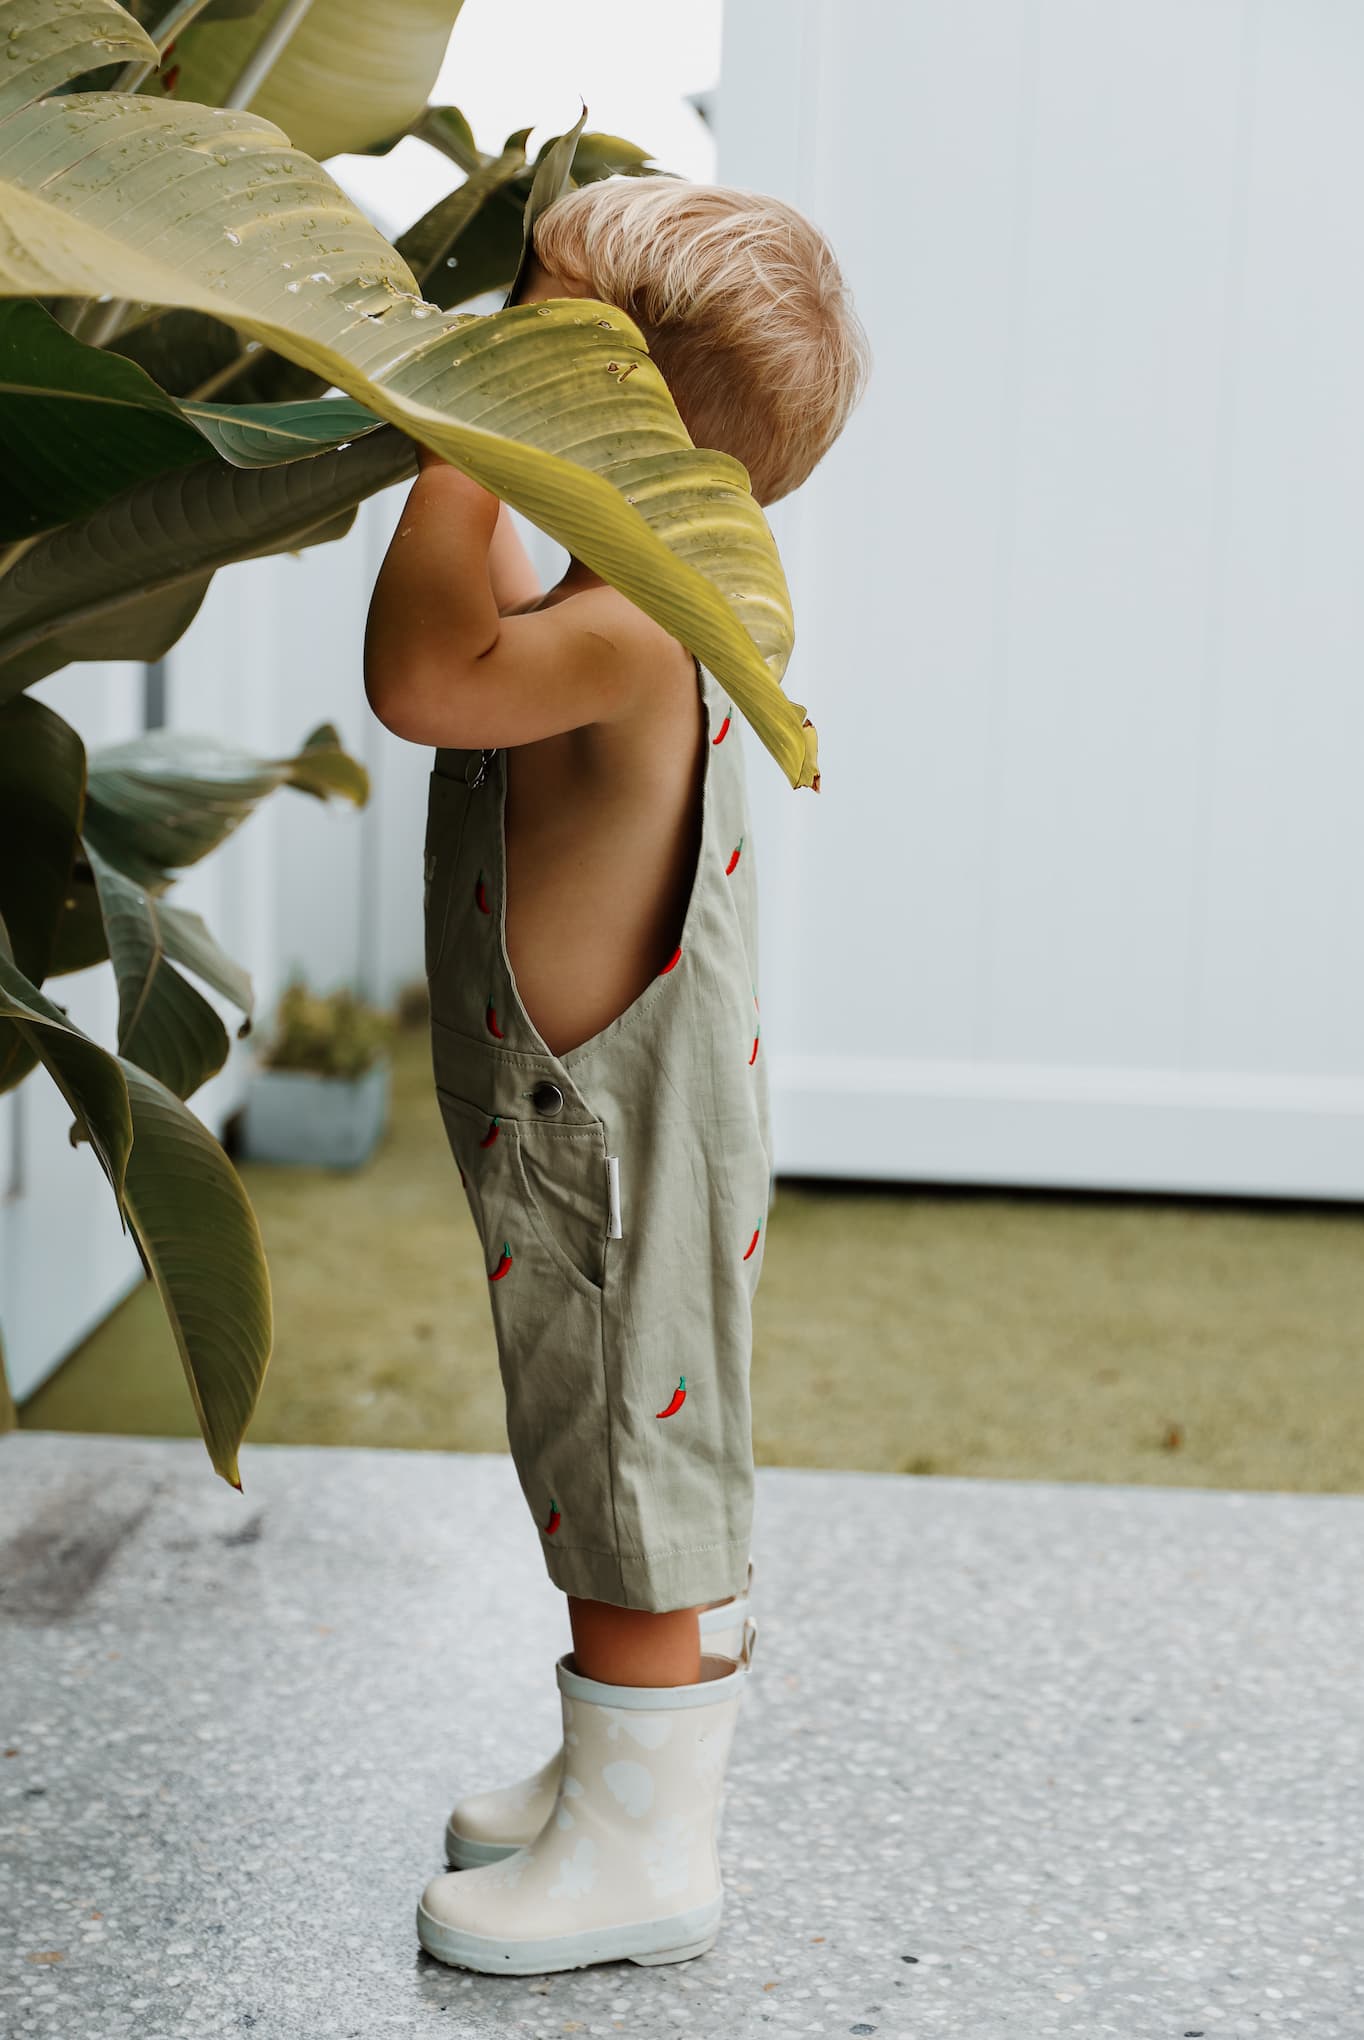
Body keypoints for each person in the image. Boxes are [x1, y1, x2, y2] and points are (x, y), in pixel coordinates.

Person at [363, 174, 870, 1977]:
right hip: (605, 1114)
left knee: (624, 1469)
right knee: (603, 1458)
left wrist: (454, 437)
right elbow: (490, 611)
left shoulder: (636, 624)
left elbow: (426, 669)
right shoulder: (629, 584)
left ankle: (647, 1855)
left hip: (608, 1140)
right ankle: (611, 1773)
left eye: (543, 329)